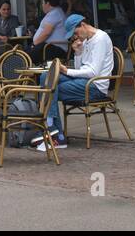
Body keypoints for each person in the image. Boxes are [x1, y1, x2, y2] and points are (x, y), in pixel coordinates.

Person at [33, 14, 114, 153]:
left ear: (83, 25)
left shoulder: (100, 39)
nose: (76, 37)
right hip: (84, 81)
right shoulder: (87, 40)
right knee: (47, 76)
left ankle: (53, 131)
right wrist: (78, 52)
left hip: (95, 86)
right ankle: (53, 130)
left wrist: (66, 71)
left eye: (76, 33)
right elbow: (80, 68)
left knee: (53, 87)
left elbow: (93, 72)